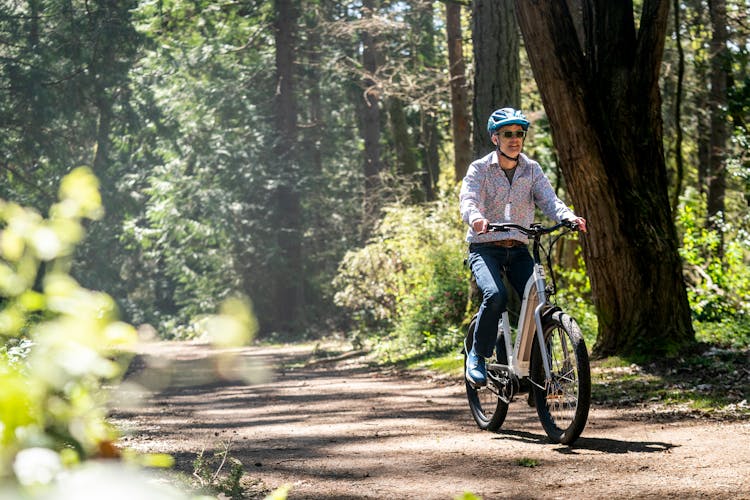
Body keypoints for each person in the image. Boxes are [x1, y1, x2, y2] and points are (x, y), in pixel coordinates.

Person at [459, 107, 587, 386]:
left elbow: (549, 200)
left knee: (539, 301)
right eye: (508, 134)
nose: (515, 139)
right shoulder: (480, 169)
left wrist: (568, 217)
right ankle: (478, 356)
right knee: (495, 295)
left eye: (519, 133)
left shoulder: (531, 169)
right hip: (485, 248)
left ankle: (540, 369)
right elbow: (468, 200)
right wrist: (477, 218)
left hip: (518, 248)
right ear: (495, 138)